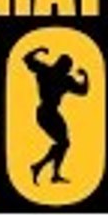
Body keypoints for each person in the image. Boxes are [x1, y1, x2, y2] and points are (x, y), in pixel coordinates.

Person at [24, 45, 90, 185]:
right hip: (45, 113)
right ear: (59, 64)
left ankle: (50, 172)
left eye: (67, 68)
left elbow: (83, 91)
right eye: (65, 67)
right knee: (63, 143)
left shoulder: (58, 76)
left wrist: (85, 76)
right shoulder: (47, 72)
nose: (65, 70)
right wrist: (38, 49)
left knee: (63, 143)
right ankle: (40, 167)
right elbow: (27, 58)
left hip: (51, 113)